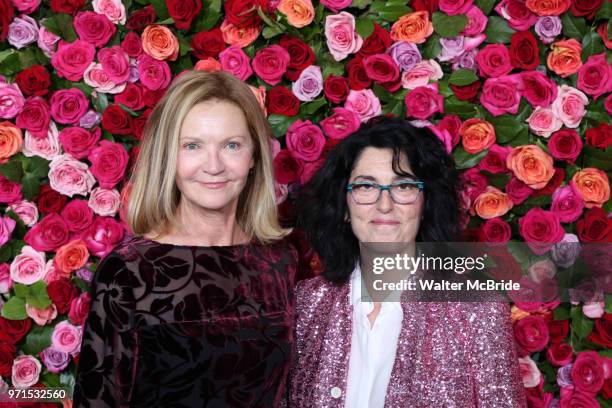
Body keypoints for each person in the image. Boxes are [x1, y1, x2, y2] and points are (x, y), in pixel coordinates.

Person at [73, 71, 297, 408]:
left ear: (253, 158)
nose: (213, 166)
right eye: (192, 146)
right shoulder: (129, 271)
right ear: (169, 157)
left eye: (232, 145)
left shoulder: (280, 259)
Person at [288, 117, 526, 407]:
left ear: (425, 204)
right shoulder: (307, 304)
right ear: (344, 207)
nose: (384, 204)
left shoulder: (477, 307)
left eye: (403, 187)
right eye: (366, 187)